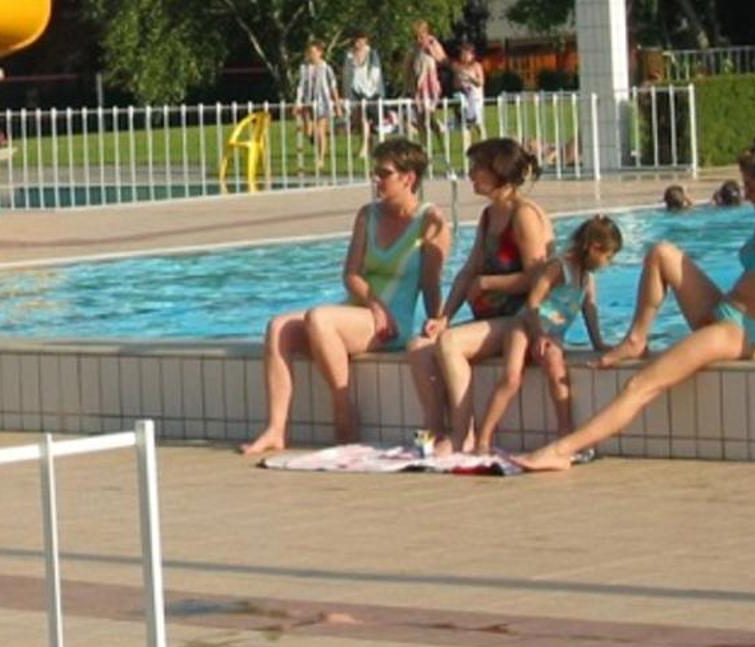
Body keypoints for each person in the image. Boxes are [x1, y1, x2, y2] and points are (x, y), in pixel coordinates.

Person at [520, 139, 755, 471]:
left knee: (640, 385)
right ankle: (636, 339)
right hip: (728, 313)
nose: (747, 194)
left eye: (753, 187)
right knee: (661, 253)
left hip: (737, 330)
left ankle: (562, 450)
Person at [241, 137, 450, 457]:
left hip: (393, 324)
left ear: (408, 178)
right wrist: (374, 304)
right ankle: (275, 429)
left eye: (384, 173)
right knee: (278, 326)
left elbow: (430, 281)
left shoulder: (430, 222)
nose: (375, 180)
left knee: (320, 318)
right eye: (375, 172)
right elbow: (351, 274)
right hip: (361, 313)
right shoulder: (368, 215)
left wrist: (437, 323)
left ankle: (343, 412)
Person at [406, 138, 553, 452]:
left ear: (497, 171)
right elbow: (468, 271)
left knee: (450, 344)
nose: (470, 174)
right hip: (489, 319)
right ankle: (435, 431)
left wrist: (489, 285)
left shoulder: (523, 215)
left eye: (476, 168)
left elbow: (537, 278)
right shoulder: (489, 216)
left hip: (519, 321)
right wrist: (444, 317)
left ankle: (463, 435)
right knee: (419, 347)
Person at [467, 215, 621, 454]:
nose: (607, 263)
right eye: (608, 257)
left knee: (556, 369)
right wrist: (538, 334)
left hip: (552, 334)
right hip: (525, 325)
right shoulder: (559, 267)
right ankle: (483, 439)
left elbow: (589, 309)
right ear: (594, 248)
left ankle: (565, 434)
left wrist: (598, 342)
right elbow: (533, 303)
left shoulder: (587, 278)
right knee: (511, 378)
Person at [293, 42, 339, 174]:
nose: (311, 55)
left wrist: (336, 104)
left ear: (320, 53)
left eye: (313, 52)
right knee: (308, 130)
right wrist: (298, 102)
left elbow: (333, 86)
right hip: (308, 101)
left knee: (320, 130)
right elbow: (300, 86)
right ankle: (317, 142)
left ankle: (320, 158)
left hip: (322, 101)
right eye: (309, 53)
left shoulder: (326, 68)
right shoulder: (304, 68)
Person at [342, 34, 385, 145]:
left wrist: (371, 89)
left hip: (370, 91)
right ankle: (368, 145)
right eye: (356, 40)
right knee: (359, 121)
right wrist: (347, 92)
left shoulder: (372, 54)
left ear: (365, 41)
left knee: (366, 119)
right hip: (355, 91)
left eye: (361, 40)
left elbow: (375, 73)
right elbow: (346, 75)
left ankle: (365, 147)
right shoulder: (349, 55)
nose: (358, 43)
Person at [407, 21, 447, 141]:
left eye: (420, 35)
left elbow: (443, 60)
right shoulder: (414, 46)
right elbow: (409, 64)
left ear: (425, 32)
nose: (418, 39)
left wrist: (431, 52)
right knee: (419, 117)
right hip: (417, 82)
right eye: (416, 36)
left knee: (429, 115)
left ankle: (441, 137)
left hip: (430, 84)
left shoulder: (432, 42)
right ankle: (423, 144)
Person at [453, 42, 485, 135]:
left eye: (465, 53)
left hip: (475, 98)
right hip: (463, 97)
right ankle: (467, 145)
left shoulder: (476, 66)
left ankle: (483, 140)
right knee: (465, 124)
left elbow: (481, 82)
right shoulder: (458, 67)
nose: (462, 56)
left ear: (471, 55)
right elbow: (455, 85)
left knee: (477, 122)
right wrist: (459, 84)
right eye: (461, 53)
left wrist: (470, 79)